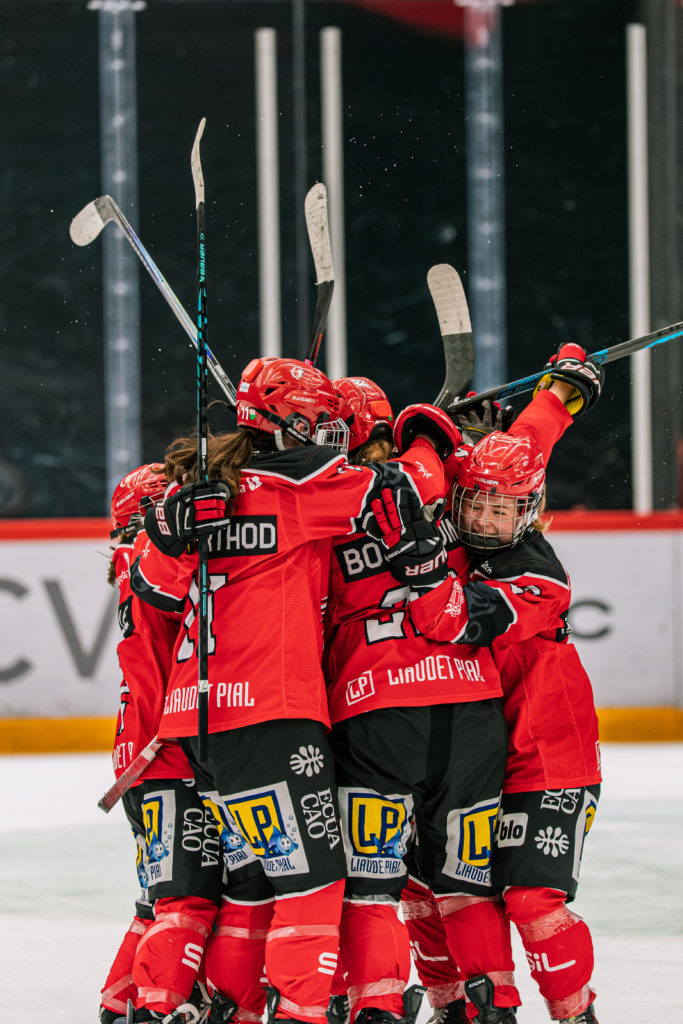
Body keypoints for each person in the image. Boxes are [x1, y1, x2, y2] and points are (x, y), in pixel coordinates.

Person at [128, 357, 460, 1024]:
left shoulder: (199, 489)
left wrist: (171, 529)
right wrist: (431, 440)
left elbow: (154, 590)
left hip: (198, 727)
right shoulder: (299, 484)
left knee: (251, 888)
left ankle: (230, 1008)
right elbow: (390, 489)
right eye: (321, 422)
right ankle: (299, 1014)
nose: (331, 436)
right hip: (270, 719)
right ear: (293, 422)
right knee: (315, 885)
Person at [370, 345, 604, 1024]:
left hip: (548, 759)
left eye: (504, 511)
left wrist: (421, 560)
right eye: (476, 505)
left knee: (531, 900)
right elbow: (527, 441)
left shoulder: (538, 576)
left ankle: (575, 1013)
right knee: (426, 889)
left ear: (530, 510)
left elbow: (451, 621)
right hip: (475, 758)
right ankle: (457, 1009)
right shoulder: (478, 516)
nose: (486, 521)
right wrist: (559, 390)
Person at [100, 464, 224, 1024]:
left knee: (161, 891)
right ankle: (157, 1006)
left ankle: (120, 1001)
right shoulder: (157, 562)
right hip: (167, 755)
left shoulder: (133, 562)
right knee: (187, 895)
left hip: (142, 755)